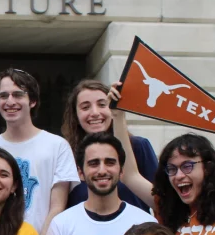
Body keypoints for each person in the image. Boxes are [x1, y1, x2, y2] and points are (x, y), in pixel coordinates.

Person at [0, 68, 79, 235]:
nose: (10, 101)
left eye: (18, 94)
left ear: (33, 101)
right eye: (4, 96)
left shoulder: (57, 146)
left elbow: (58, 207)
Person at [46, 133, 156, 235]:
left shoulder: (146, 223)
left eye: (110, 162)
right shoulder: (61, 224)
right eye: (93, 163)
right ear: (80, 173)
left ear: (121, 171)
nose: (102, 170)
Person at [61, 80, 158, 212]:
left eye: (102, 104)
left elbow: (163, 203)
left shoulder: (138, 146)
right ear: (75, 115)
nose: (94, 112)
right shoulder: (66, 155)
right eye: (85, 107)